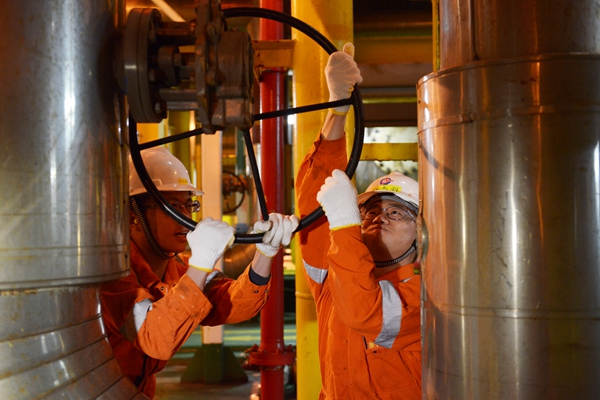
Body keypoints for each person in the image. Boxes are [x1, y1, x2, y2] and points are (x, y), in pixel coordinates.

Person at [100, 147, 298, 398]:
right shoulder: (111, 275)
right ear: (132, 218)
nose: (185, 218)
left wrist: (265, 253)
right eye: (172, 207)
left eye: (188, 205)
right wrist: (200, 264)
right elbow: (156, 338)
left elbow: (234, 304)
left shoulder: (177, 268)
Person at [295, 43, 421, 399]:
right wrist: (337, 109)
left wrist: (346, 223)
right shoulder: (332, 272)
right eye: (369, 211)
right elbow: (316, 197)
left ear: (422, 232)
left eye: (396, 212)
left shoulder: (429, 294)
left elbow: (366, 315)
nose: (379, 217)